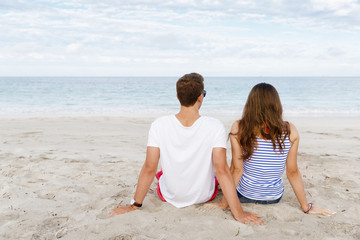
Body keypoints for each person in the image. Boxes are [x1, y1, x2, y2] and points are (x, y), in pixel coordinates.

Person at [109, 73, 263, 224]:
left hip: (169, 196)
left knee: (160, 172)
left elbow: (150, 168)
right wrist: (239, 213)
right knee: (217, 173)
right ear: (200, 97)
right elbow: (221, 170)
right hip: (204, 196)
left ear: (178, 97)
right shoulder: (215, 126)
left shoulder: (159, 124)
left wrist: (135, 205)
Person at [210, 83, 335, 216]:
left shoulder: (239, 127)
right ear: (276, 105)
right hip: (274, 198)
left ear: (250, 105)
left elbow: (237, 170)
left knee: (220, 178)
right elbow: (292, 172)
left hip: (244, 195)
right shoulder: (290, 130)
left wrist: (223, 204)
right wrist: (306, 207)